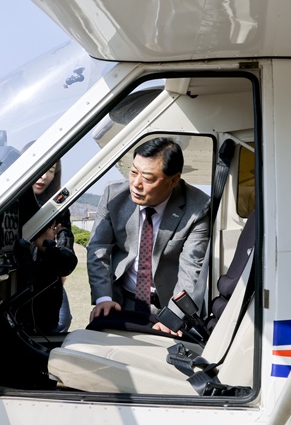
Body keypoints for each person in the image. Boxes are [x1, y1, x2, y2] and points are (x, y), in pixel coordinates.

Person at [87, 136, 210, 335]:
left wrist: (173, 316)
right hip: (120, 301)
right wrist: (104, 298)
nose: (136, 184)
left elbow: (191, 269)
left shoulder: (197, 208)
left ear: (174, 180)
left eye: (148, 178)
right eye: (133, 172)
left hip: (167, 306)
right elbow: (97, 248)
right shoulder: (114, 196)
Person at [16, 145, 77, 334]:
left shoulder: (59, 209)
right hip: (13, 296)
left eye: (50, 170)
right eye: (39, 169)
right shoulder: (7, 206)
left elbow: (67, 262)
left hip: (45, 300)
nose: (43, 176)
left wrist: (47, 248)